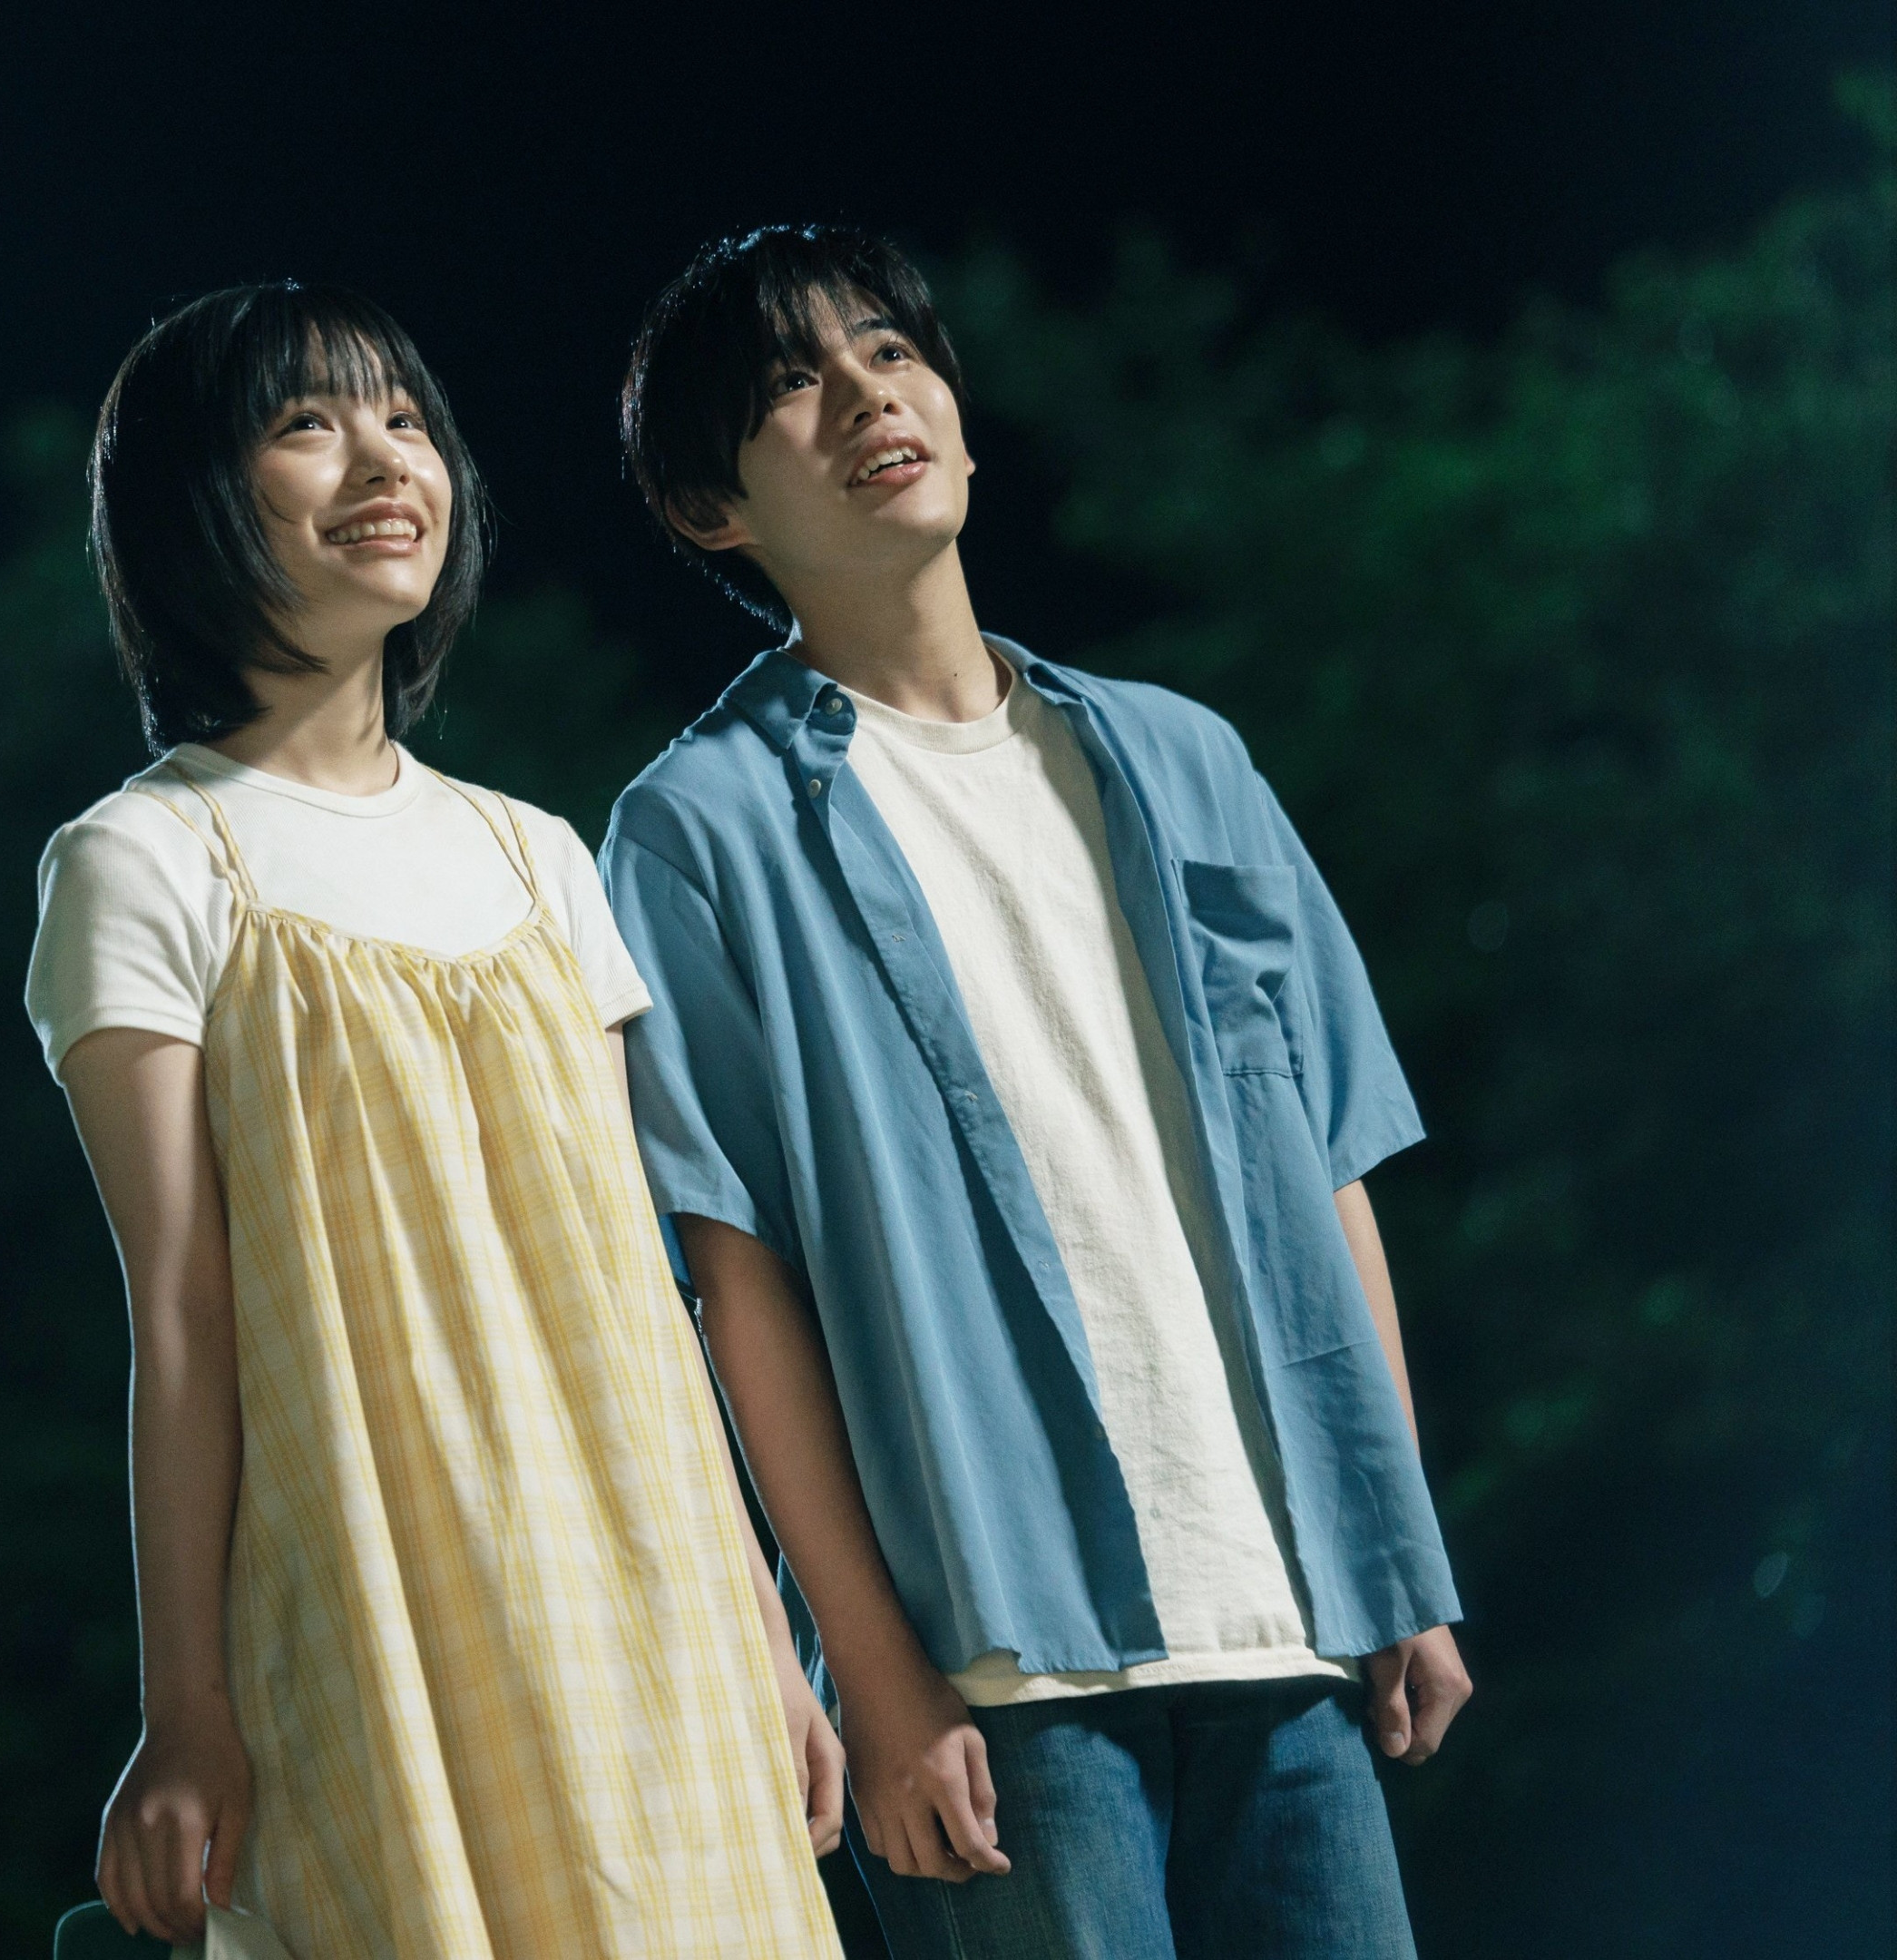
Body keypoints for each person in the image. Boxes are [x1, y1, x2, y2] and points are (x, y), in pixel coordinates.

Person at [599, 223, 1472, 1959]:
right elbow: (732, 1285)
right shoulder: (697, 830)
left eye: (890, 352)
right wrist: (874, 1671)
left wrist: (1399, 1558)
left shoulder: (1185, 759)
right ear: (711, 510)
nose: (868, 396)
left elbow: (1330, 1172)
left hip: (1288, 1623)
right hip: (996, 1677)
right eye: (792, 384)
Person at [29, 279, 847, 1960]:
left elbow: (638, 1291)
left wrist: (765, 1640)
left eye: (405, 421)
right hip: (382, 1600)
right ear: (191, 500)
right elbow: (183, 1315)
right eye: (308, 425)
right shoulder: (146, 858)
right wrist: (186, 1711)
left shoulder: (537, 855)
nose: (384, 461)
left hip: (651, 1602)